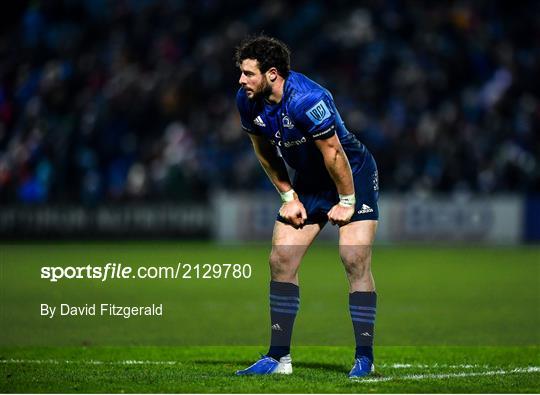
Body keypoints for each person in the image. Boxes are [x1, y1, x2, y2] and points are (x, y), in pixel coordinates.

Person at [234, 35, 379, 379]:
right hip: (311, 182)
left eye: (248, 73)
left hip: (350, 174)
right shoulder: (247, 100)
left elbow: (334, 154)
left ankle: (365, 357)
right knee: (281, 258)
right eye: (241, 73)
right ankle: (278, 358)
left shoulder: (307, 99)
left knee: (353, 256)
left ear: (272, 74)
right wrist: (289, 196)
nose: (241, 80)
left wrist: (346, 202)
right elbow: (263, 150)